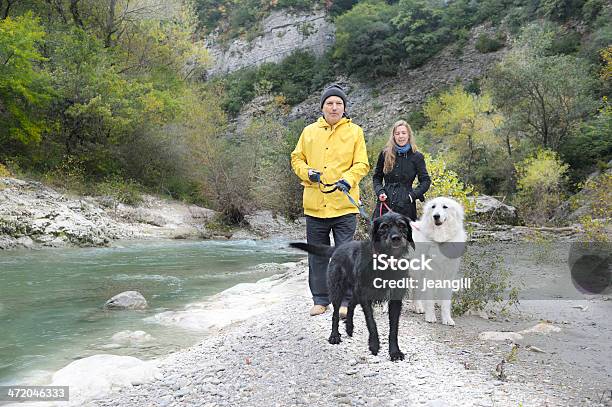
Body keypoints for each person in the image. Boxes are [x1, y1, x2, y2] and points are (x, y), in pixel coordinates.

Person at [291, 84, 370, 316]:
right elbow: (296, 159)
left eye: (338, 104)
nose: (334, 107)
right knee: (317, 256)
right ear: (322, 107)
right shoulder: (308, 132)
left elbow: (362, 164)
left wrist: (348, 179)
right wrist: (308, 173)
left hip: (344, 206)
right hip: (315, 206)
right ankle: (320, 299)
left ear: (344, 108)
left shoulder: (356, 132)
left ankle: (345, 301)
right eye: (330, 103)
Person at [372, 120, 431, 221]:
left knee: (405, 235)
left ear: (409, 135)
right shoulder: (385, 154)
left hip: (406, 206)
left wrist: (412, 196)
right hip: (385, 203)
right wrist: (380, 192)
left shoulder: (417, 156)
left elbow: (426, 181)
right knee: (380, 234)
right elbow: (377, 177)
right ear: (393, 136)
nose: (401, 136)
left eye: (404, 133)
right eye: (397, 133)